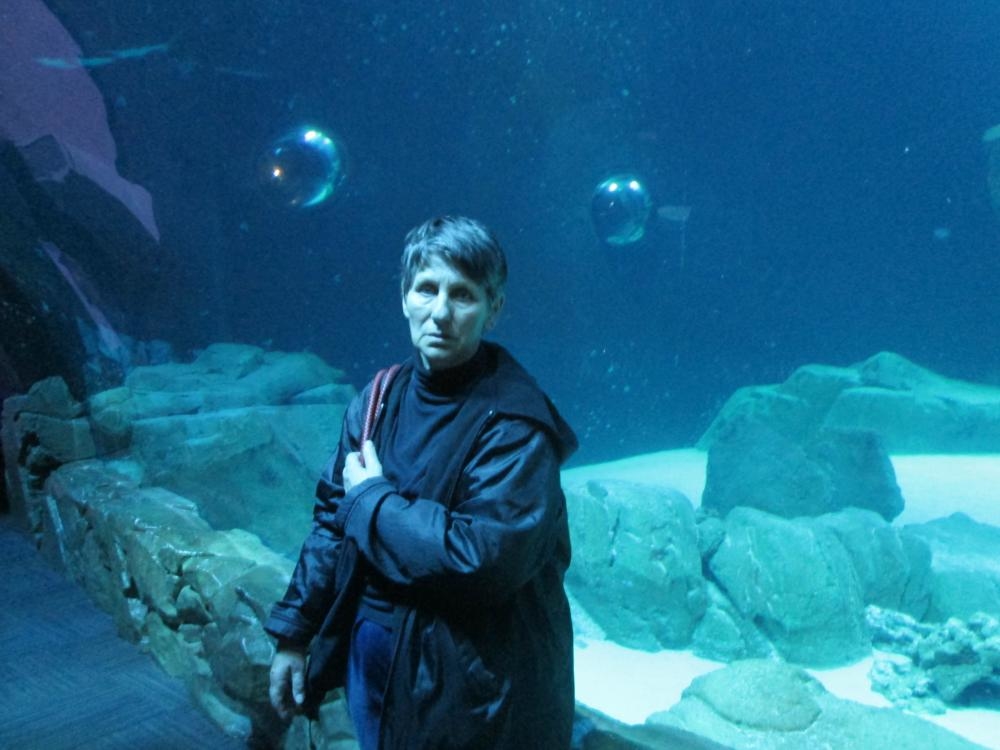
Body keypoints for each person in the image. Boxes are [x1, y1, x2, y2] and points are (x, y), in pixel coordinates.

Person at [264, 216, 578, 749]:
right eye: (426, 289)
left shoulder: (515, 424)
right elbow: (332, 523)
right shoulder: (377, 398)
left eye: (464, 295)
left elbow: (481, 562)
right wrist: (294, 633)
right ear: (404, 297)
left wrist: (373, 500)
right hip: (373, 659)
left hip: (470, 692)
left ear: (494, 309)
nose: (441, 312)